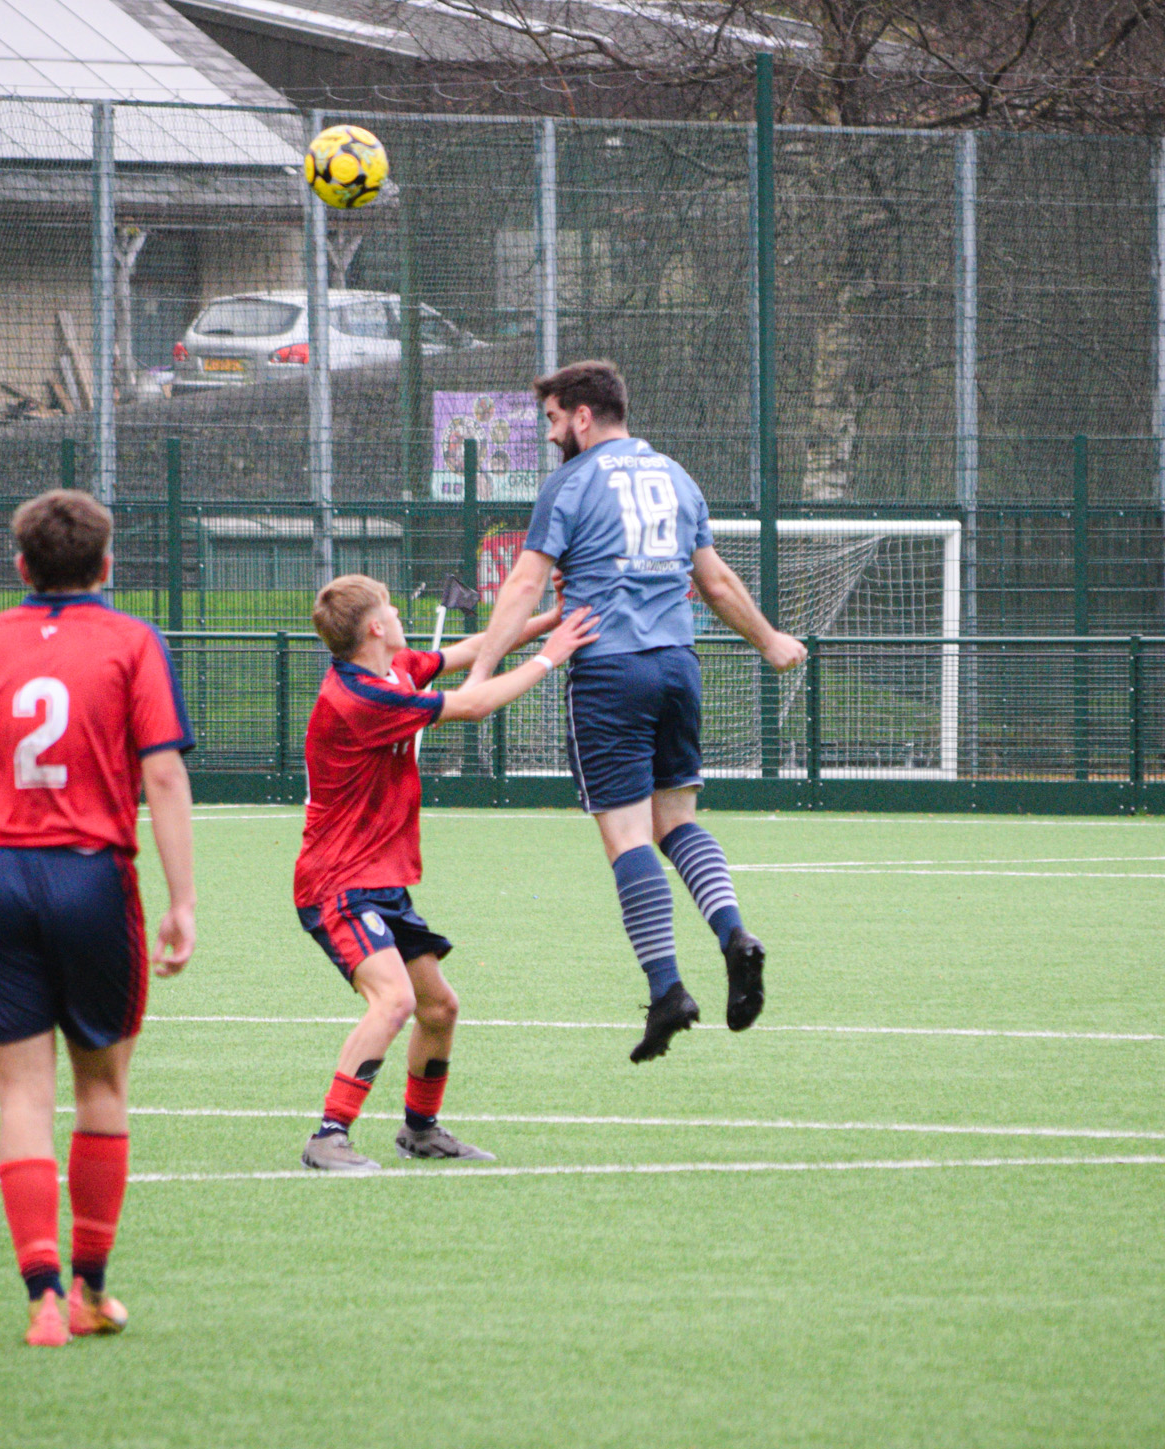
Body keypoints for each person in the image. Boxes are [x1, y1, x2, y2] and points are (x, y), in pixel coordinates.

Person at [0, 489, 197, 1347]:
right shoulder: (133, 641)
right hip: (92, 879)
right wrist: (182, 898)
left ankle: (43, 1302)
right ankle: (93, 1290)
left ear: (21, 565)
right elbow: (164, 774)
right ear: (107, 565)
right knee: (101, 1086)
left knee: (22, 1094)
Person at [467, 360, 807, 1062]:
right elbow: (715, 582)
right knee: (676, 821)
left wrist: (481, 669)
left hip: (610, 671)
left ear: (583, 416)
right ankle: (734, 933)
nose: (552, 434)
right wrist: (770, 639)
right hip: (678, 665)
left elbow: (524, 584)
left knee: (627, 838)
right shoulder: (677, 476)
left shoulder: (570, 483)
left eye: (554, 420)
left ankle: (667, 990)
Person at [294, 575, 599, 1172]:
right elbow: (474, 704)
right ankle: (328, 1136)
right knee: (394, 1001)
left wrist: (548, 619)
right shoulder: (359, 699)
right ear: (375, 627)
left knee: (439, 1008)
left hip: (379, 881)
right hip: (337, 882)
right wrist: (551, 656)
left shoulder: (395, 668)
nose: (399, 614)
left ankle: (421, 1130)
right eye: (390, 608)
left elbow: (474, 650)